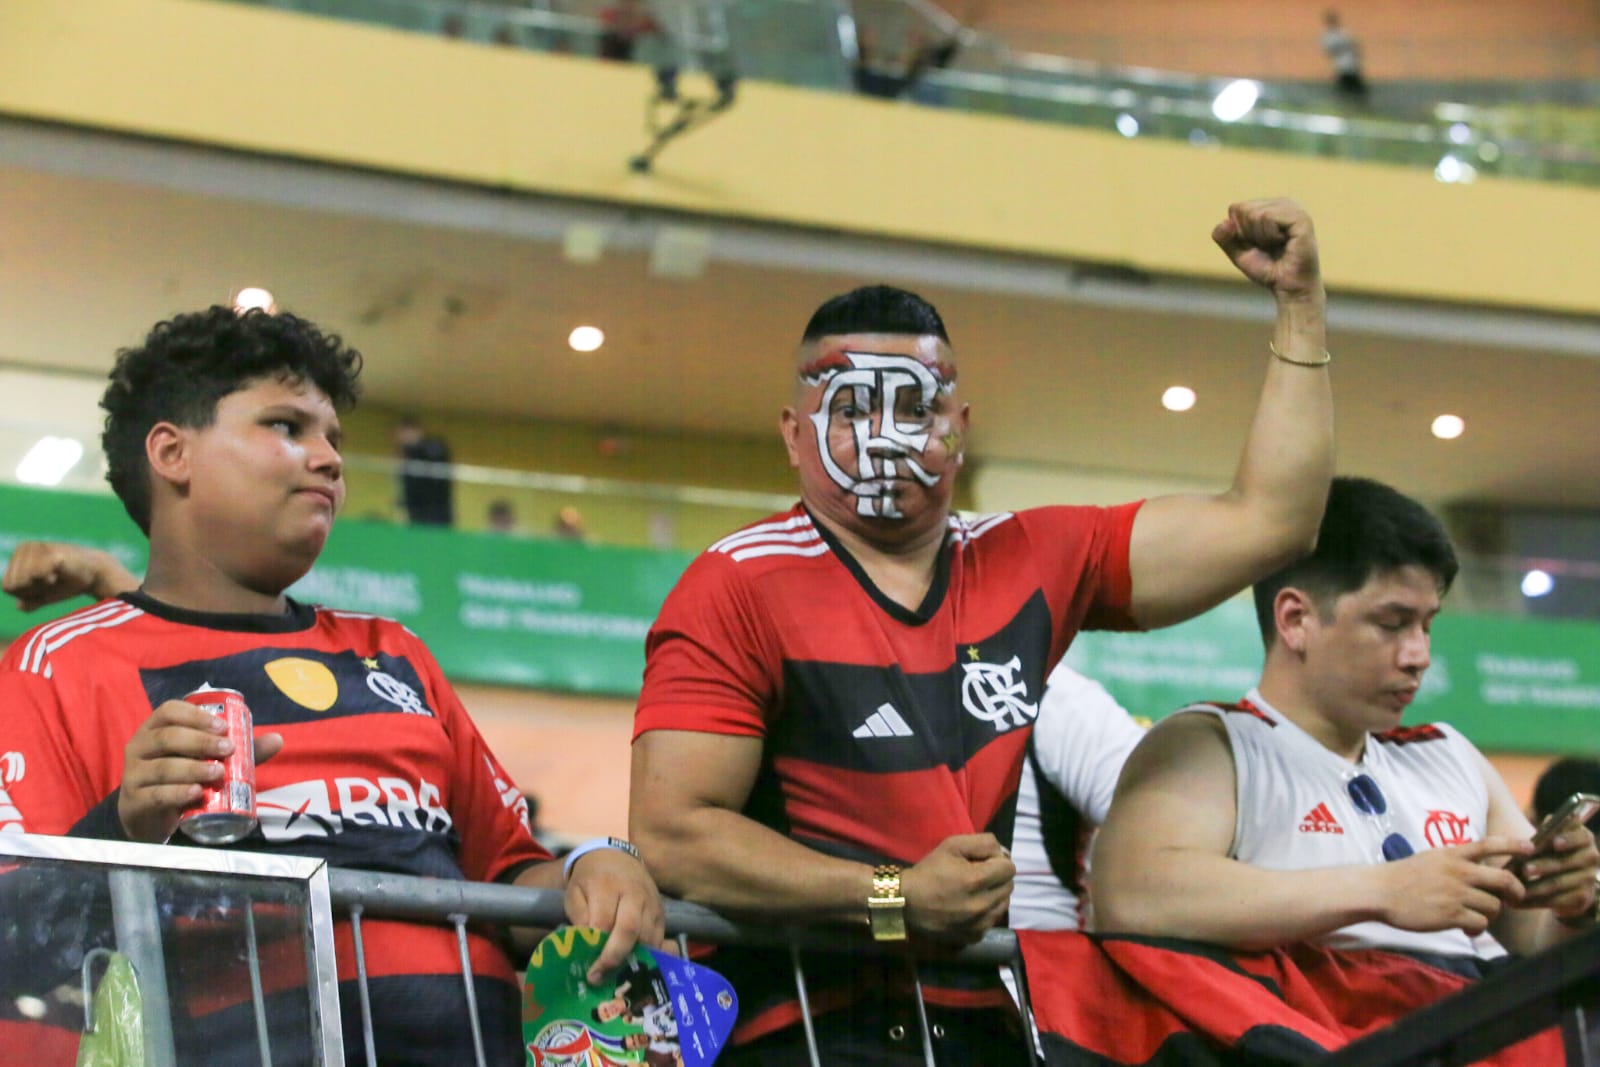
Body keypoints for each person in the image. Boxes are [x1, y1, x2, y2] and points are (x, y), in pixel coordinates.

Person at [630, 197, 1335, 1064]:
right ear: (792, 435)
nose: (886, 437)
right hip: (804, 1028)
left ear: (960, 429)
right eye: (852, 409)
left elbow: (1275, 522)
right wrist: (891, 896)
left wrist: (1299, 307)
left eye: (914, 408)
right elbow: (673, 834)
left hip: (981, 1028)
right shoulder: (735, 584)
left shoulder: (1031, 557)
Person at [0, 307, 661, 1065]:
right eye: (287, 426)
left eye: (333, 438)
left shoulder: (395, 652)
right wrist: (124, 826)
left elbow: (509, 874)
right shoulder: (57, 666)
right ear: (172, 452)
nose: (329, 459)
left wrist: (594, 870)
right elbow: (12, 940)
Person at [1092, 477, 1599, 991]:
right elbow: (1131, 896)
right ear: (1295, 620)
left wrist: (1571, 906)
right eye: (1392, 623)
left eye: (1426, 625)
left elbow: (1536, 944)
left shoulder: (1451, 755)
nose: (1418, 655)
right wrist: (1381, 890)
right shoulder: (1210, 745)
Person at [1008, 663, 1147, 933]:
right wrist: (904, 901)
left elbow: (1172, 853)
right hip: (905, 960)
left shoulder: (1063, 702)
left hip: (1037, 966)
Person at [394, 413, 455, 526]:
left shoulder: (434, 446)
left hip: (437, 510)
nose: (403, 438)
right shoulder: (405, 456)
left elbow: (437, 457)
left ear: (417, 431)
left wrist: (411, 450)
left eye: (405, 432)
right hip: (416, 514)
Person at [1320, 10, 1368, 103]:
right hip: (1341, 66)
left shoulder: (1343, 33)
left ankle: (1359, 104)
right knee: (1345, 89)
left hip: (1351, 64)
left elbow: (1355, 46)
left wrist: (1357, 57)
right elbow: (1328, 52)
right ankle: (1349, 105)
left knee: (1357, 89)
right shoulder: (1328, 36)